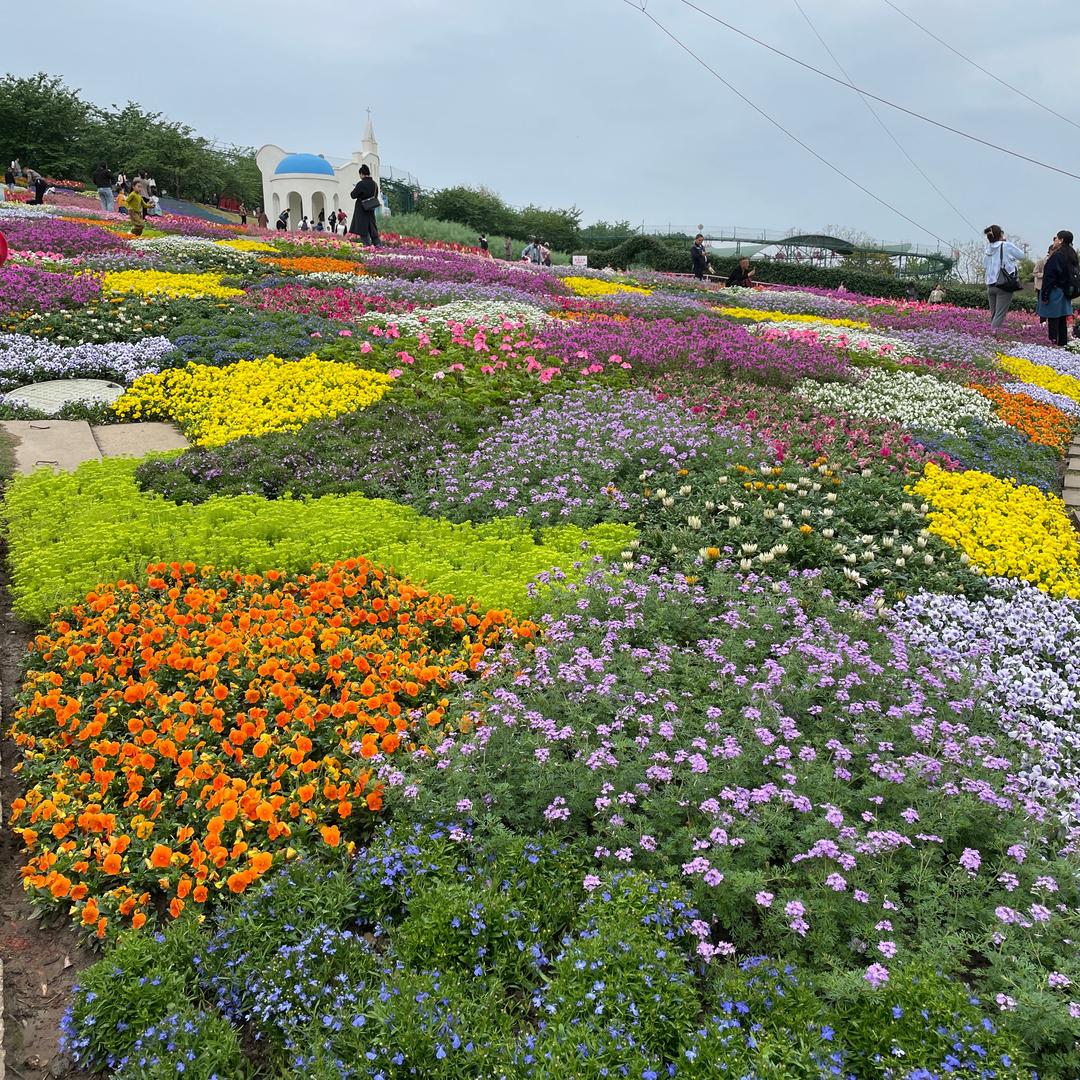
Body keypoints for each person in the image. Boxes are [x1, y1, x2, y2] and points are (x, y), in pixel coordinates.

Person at [1038, 230, 1078, 347]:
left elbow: (1049, 276)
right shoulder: (1072, 254)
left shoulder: (1057, 256)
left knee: (1053, 319)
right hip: (1066, 291)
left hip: (1054, 291)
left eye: (1056, 238)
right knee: (1062, 320)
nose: (1054, 240)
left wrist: (1045, 295)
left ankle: (1052, 344)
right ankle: (1062, 344)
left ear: (1061, 240)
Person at [982, 224, 1025, 329]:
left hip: (990, 285)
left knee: (994, 314)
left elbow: (984, 265)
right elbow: (1021, 256)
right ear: (1000, 234)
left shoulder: (988, 249)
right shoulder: (1006, 245)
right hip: (1003, 284)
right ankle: (992, 336)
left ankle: (991, 334)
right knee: (999, 315)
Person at [349, 164, 381, 246]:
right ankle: (378, 246)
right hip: (371, 209)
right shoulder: (375, 184)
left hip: (361, 210)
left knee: (363, 231)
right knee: (372, 229)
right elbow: (375, 196)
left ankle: (367, 248)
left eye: (360, 174)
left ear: (362, 174)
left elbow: (353, 195)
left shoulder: (361, 184)